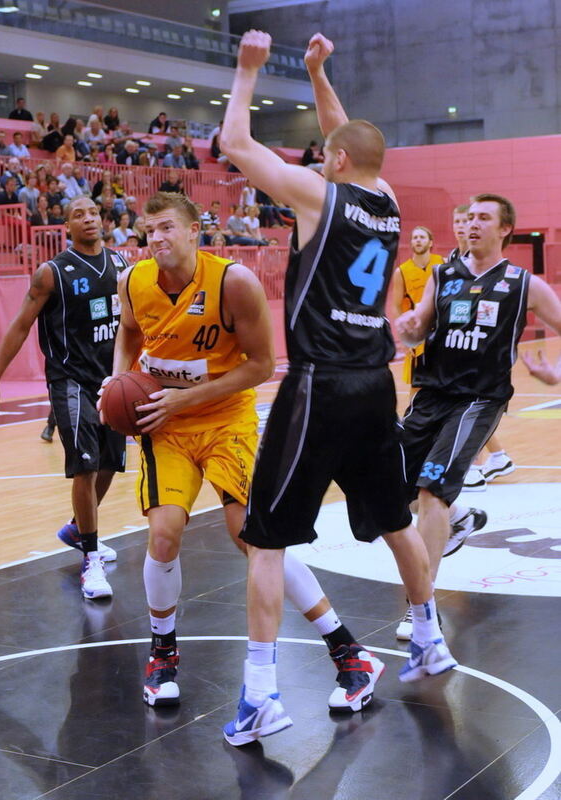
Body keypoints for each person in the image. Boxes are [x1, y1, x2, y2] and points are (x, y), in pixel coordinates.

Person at [220, 31, 456, 747]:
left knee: (265, 541)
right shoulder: (385, 203)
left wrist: (248, 69)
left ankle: (260, 693)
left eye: (326, 154)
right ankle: (428, 639)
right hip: (373, 383)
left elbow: (233, 141)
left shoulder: (317, 197)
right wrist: (320, 73)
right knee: (395, 520)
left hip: (319, 385)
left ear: (336, 163)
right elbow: (344, 137)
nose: (318, 156)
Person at [108, 191, 381, 711]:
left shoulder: (234, 281)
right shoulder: (131, 281)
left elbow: (261, 365)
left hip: (225, 419)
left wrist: (183, 398)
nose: (156, 239)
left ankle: (349, 650)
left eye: (167, 228)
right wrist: (119, 378)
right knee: (163, 534)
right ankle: (162, 650)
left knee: (253, 540)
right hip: (164, 423)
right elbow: (128, 332)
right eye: (149, 231)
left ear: (195, 232)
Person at [395, 193, 561, 622]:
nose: (472, 224)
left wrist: (555, 373)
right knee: (390, 488)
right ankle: (460, 517)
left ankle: (420, 609)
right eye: (469, 217)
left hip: (479, 400)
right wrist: (410, 329)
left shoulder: (525, 284)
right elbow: (419, 331)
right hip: (430, 395)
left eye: (484, 218)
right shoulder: (442, 274)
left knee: (433, 488)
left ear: (505, 229)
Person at [0, 196, 129, 599]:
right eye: (79, 214)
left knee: (110, 464)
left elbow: (135, 322)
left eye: (94, 212)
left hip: (111, 380)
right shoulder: (52, 273)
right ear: (66, 226)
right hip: (70, 380)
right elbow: (20, 325)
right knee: (84, 465)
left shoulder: (121, 264)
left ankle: (77, 530)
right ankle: (91, 560)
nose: (89, 218)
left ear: (103, 218)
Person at [449, 203, 515, 491]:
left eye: (469, 220)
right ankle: (498, 457)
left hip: (481, 348)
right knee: (459, 406)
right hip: (455, 346)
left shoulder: (490, 266)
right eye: (459, 221)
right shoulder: (453, 260)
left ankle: (473, 468)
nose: (464, 226)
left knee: (467, 406)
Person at [392, 226, 444, 393]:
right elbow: (396, 305)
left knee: (445, 382)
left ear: (430, 243)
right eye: (415, 238)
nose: (418, 240)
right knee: (418, 386)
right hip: (418, 334)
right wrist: (405, 338)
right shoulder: (402, 271)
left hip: (441, 330)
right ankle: (413, 419)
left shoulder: (443, 263)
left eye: (422, 237)